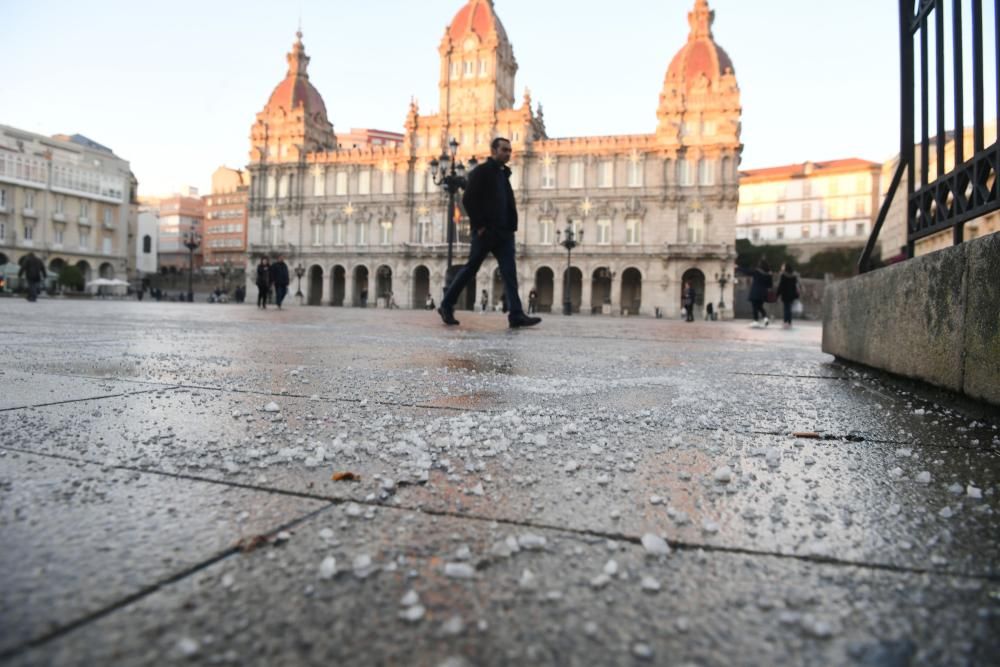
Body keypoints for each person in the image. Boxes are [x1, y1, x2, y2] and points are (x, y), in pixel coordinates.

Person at [437, 137, 541, 329]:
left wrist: (511, 225)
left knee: (510, 273)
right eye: (504, 150)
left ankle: (516, 315)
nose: (508, 153)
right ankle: (446, 304)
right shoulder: (482, 172)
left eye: (510, 150)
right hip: (487, 232)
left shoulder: (503, 174)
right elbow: (468, 198)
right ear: (493, 151)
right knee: (470, 270)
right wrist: (481, 225)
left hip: (504, 233)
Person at [775, 261, 801, 329]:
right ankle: (789, 322)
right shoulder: (794, 276)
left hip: (785, 294)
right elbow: (796, 286)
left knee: (786, 308)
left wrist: (777, 294)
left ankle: (785, 322)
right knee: (789, 308)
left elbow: (781, 286)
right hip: (792, 294)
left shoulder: (783, 275)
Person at [748, 259, 773, 328]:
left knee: (755, 307)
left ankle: (756, 321)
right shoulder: (769, 274)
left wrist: (738, 268)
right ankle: (765, 318)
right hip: (763, 293)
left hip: (755, 292)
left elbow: (748, 272)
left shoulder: (757, 271)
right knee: (760, 307)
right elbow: (770, 285)